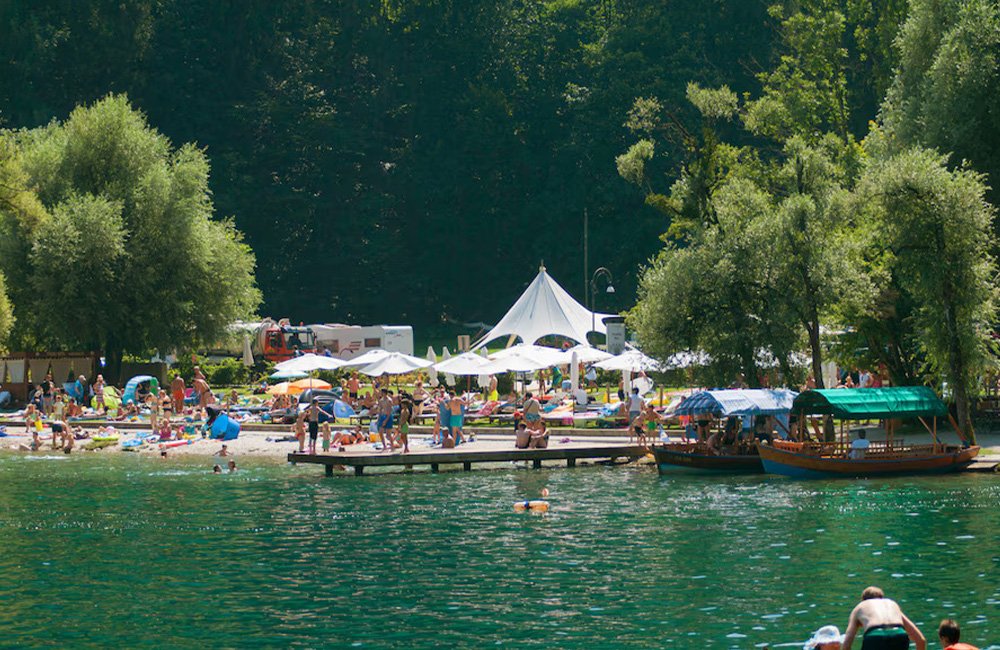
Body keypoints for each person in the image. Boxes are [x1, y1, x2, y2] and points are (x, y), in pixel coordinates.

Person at [842, 586, 925, 650]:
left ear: (863, 600)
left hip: (875, 637)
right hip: (899, 634)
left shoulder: (860, 607)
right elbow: (921, 640)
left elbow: (846, 645)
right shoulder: (892, 604)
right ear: (882, 598)